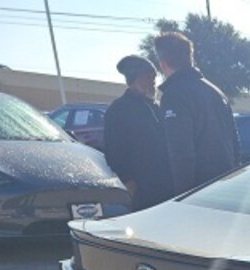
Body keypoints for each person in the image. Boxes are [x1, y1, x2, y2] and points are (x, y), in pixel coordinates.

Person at [153, 31, 240, 195]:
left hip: (198, 195)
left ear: (162, 64)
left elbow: (181, 154)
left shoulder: (175, 95)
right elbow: (235, 144)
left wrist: (182, 197)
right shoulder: (216, 92)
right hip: (225, 188)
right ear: (190, 57)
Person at [103, 55, 174, 210]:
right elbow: (114, 152)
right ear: (134, 80)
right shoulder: (119, 110)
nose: (153, 81)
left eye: (154, 77)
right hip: (141, 191)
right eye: (148, 77)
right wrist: (128, 181)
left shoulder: (158, 108)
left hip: (166, 188)